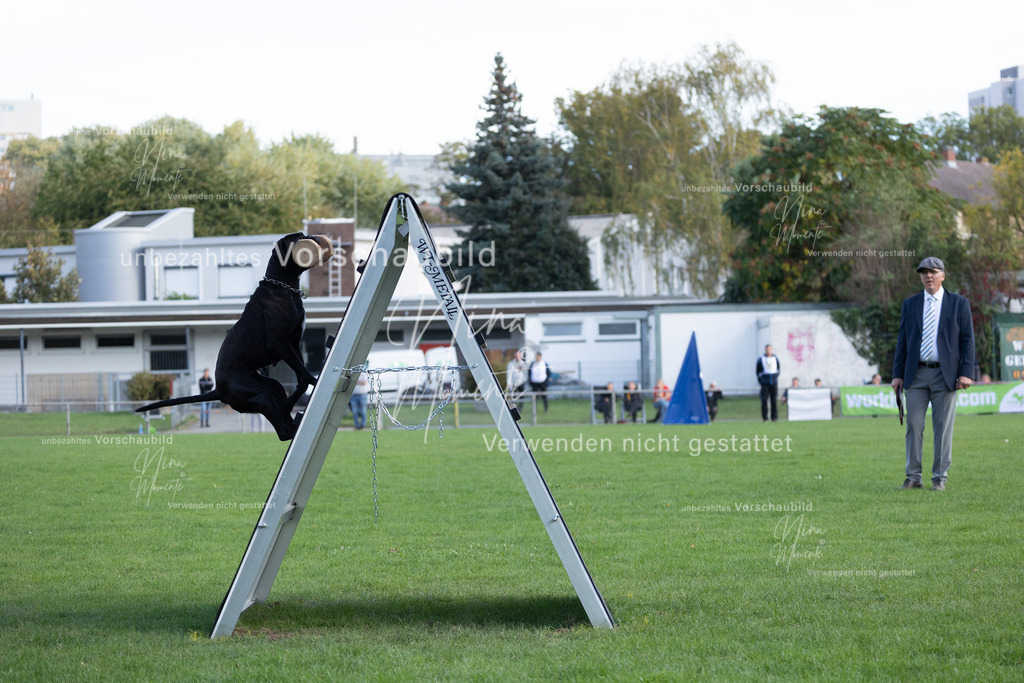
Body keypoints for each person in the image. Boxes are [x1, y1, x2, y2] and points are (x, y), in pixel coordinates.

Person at [892, 257, 974, 492]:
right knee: (914, 426)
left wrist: (966, 372)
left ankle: (939, 479)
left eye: (933, 272)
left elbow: (967, 340)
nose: (929, 276)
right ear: (920, 276)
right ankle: (913, 477)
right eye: (924, 272)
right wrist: (897, 374)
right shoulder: (911, 304)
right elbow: (902, 341)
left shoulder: (959, 303)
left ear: (943, 275)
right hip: (915, 374)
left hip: (945, 376)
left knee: (942, 428)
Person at [756, 344, 781, 422]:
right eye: (767, 349)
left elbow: (778, 369)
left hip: (773, 382)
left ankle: (774, 417)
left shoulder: (775, 358)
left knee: (774, 400)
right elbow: (758, 371)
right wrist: (761, 380)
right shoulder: (761, 359)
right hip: (765, 383)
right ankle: (765, 417)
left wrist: (775, 377)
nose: (768, 351)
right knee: (764, 400)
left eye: (770, 349)